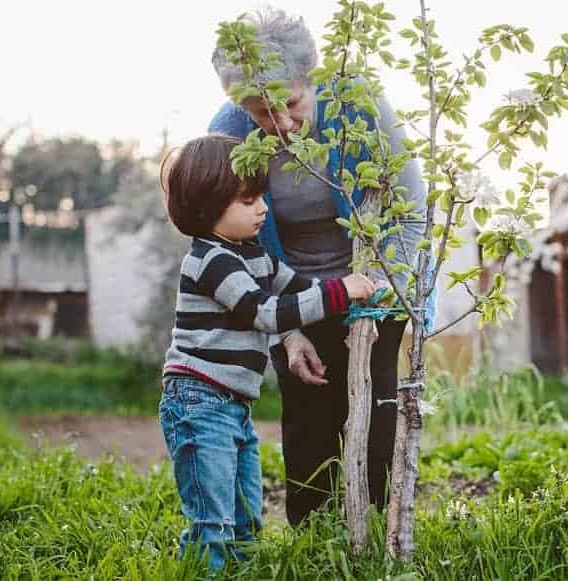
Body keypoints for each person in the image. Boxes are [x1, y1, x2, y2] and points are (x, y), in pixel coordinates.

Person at [208, 7, 432, 526]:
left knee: (373, 410)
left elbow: (410, 207)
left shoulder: (359, 104)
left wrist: (376, 294)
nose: (279, 124)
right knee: (308, 419)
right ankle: (312, 540)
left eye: (290, 103)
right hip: (291, 295)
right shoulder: (227, 134)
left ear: (311, 79)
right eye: (260, 112)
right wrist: (286, 331)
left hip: (374, 282)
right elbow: (233, 244)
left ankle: (373, 530)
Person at [157, 134, 378, 570]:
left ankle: (235, 571)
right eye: (246, 200)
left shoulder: (253, 256)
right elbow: (266, 313)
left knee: (246, 520)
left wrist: (359, 290)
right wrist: (341, 292)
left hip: (231, 405)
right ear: (206, 205)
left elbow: (299, 288)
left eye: (262, 195)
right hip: (198, 402)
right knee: (213, 521)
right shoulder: (211, 261)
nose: (262, 208)